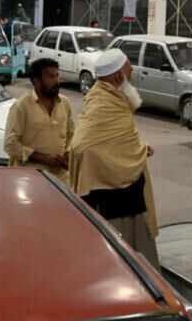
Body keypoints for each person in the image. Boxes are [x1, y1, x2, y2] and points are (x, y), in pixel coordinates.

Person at [69, 49, 159, 269]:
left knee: (140, 260)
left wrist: (138, 148)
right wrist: (112, 163)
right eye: (129, 71)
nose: (132, 76)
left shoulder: (115, 99)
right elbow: (82, 147)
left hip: (133, 198)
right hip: (111, 203)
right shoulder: (101, 103)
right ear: (119, 76)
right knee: (117, 264)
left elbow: (116, 140)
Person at [3, 58, 75, 181]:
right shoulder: (21, 106)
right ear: (37, 81)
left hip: (61, 177)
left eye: (57, 76)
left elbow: (71, 133)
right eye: (50, 77)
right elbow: (10, 144)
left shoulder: (64, 102)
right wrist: (43, 158)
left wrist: (68, 152)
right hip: (31, 178)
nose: (56, 81)